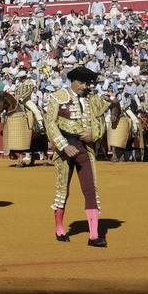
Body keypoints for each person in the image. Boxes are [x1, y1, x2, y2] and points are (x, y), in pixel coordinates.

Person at [44, 65, 109, 248]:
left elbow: (100, 123)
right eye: (82, 83)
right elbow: (50, 123)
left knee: (90, 189)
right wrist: (64, 146)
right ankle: (59, 227)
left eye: (87, 83)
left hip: (84, 148)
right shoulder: (57, 97)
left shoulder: (92, 99)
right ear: (73, 81)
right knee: (62, 189)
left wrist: (94, 136)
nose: (85, 86)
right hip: (65, 149)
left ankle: (94, 235)